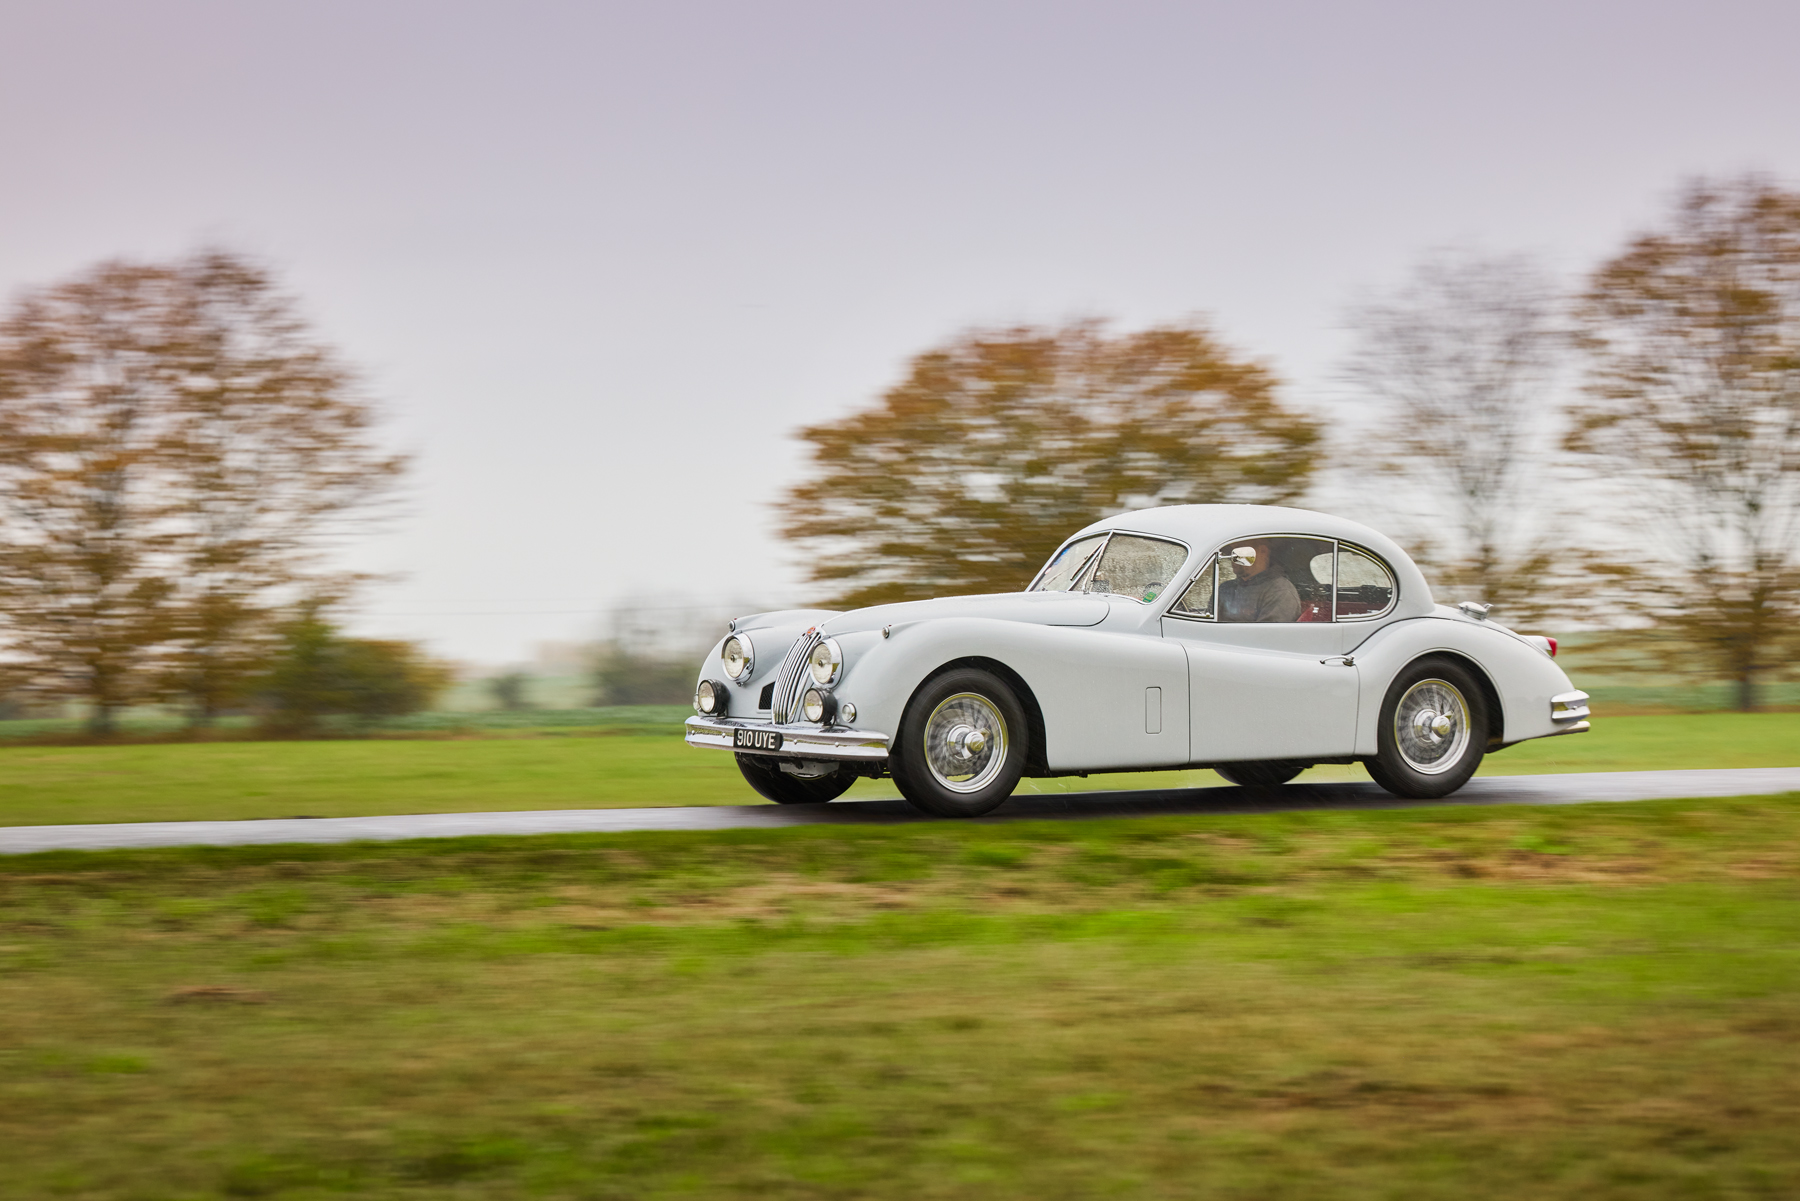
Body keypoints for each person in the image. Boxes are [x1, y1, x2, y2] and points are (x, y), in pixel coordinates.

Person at [1218, 539, 1301, 622]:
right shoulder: (1226, 589)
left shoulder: (1280, 590)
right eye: (1231, 552)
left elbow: (1266, 633)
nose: (1233, 557)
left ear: (1263, 551)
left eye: (1240, 551)